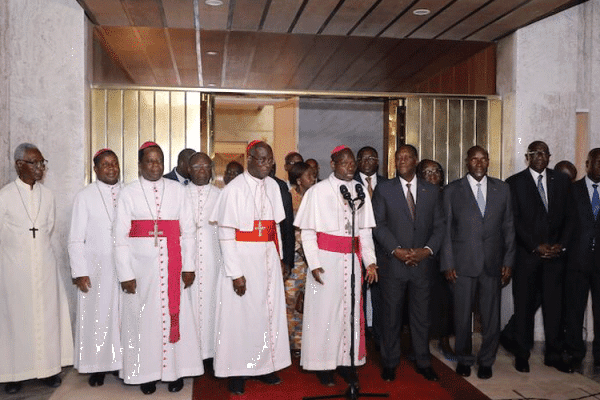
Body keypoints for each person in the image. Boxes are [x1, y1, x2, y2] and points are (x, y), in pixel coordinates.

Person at [114, 142, 203, 394]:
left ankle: (175, 372)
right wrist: (125, 273)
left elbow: (188, 232)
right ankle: (147, 374)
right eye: (150, 161)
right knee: (143, 320)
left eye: (159, 161)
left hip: (173, 266)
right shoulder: (128, 193)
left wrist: (189, 265)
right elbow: (119, 237)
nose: (155, 165)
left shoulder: (177, 190)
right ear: (140, 164)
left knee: (177, 317)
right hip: (141, 270)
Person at [209, 140, 291, 395]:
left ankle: (265, 367)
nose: (266, 164)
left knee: (266, 315)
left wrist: (280, 258)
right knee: (239, 319)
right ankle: (237, 371)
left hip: (267, 261)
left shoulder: (275, 188)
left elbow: (274, 227)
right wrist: (236, 274)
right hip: (242, 263)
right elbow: (225, 234)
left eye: (269, 160)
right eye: (261, 159)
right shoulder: (233, 190)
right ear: (249, 158)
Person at [295, 145, 378, 387]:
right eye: (344, 163)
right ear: (333, 165)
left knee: (349, 315)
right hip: (326, 261)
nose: (350, 167)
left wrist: (370, 262)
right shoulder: (317, 192)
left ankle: (346, 362)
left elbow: (364, 232)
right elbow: (307, 232)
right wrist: (314, 263)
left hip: (351, 261)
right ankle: (323, 365)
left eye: (352, 163)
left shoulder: (360, 191)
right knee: (324, 316)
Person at [0, 143, 73, 395]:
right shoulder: (5, 195)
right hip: (14, 270)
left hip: (44, 268)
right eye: (35, 163)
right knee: (15, 321)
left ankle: (49, 369)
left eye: (43, 163)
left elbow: (48, 227)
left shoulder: (48, 195)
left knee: (47, 319)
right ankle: (13, 374)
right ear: (20, 164)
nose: (41, 168)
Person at [441, 146, 515, 379]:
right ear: (467, 162)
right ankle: (464, 358)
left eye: (484, 159)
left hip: (493, 263)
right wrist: (448, 263)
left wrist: (508, 261)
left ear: (489, 162)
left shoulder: (502, 189)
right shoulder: (452, 190)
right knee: (462, 316)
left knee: (491, 317)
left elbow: (509, 228)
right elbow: (446, 230)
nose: (480, 163)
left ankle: (486, 361)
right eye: (474, 159)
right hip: (462, 265)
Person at [372, 145, 445, 382]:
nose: (401, 160)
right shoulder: (384, 189)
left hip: (422, 265)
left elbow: (439, 226)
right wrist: (396, 250)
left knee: (421, 316)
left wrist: (426, 251)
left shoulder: (431, 190)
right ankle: (390, 363)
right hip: (393, 264)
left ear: (415, 161)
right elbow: (379, 225)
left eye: (406, 157)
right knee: (391, 316)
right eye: (398, 157)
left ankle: (423, 362)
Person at [505, 140, 572, 373]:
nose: (541, 157)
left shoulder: (562, 181)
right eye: (536, 153)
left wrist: (560, 245)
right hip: (527, 258)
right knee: (524, 309)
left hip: (555, 258)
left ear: (549, 157)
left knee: (554, 309)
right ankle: (522, 354)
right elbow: (513, 221)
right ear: (527, 157)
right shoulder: (514, 183)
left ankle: (553, 354)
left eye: (545, 153)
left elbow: (570, 218)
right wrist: (536, 246)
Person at [68, 148, 123, 387]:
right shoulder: (85, 196)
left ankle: (123, 365)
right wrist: (79, 271)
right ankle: (98, 367)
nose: (111, 168)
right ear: (96, 169)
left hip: (124, 267)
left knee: (122, 317)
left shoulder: (129, 193)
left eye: (115, 164)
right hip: (96, 268)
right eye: (106, 164)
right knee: (97, 318)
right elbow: (75, 238)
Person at [564, 149, 600, 369]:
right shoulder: (571, 190)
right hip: (576, 261)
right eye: (597, 162)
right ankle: (575, 351)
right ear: (587, 164)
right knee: (574, 310)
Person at [417, 159, 455, 361]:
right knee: (422, 304)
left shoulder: (450, 196)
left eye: (436, 171)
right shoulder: (415, 197)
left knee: (448, 302)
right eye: (427, 172)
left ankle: (445, 339)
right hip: (423, 258)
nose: (433, 176)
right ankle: (419, 344)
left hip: (447, 258)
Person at [186, 152, 222, 371]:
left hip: (213, 256)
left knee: (211, 303)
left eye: (206, 166)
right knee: (188, 305)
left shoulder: (221, 195)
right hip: (186, 258)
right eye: (197, 166)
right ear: (189, 170)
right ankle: (188, 353)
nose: (202, 170)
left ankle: (210, 353)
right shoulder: (178, 194)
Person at [353, 146, 388, 347]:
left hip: (383, 246)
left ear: (378, 161)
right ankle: (361, 331)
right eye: (363, 158)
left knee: (380, 291)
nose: (367, 161)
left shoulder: (386, 184)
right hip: (358, 245)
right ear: (357, 161)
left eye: (371, 158)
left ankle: (378, 331)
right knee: (359, 291)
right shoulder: (348, 182)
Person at [285, 162, 316, 358]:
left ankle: (309, 342)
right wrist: (302, 249)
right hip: (296, 258)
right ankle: (292, 342)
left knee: (311, 301)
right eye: (309, 177)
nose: (313, 180)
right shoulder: (289, 198)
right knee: (291, 300)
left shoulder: (317, 197)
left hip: (314, 260)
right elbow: (289, 230)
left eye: (314, 176)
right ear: (299, 180)